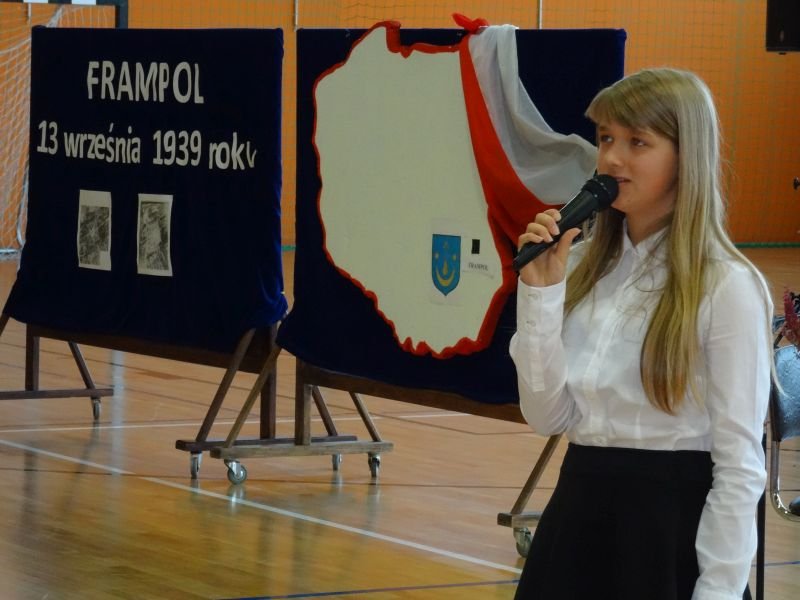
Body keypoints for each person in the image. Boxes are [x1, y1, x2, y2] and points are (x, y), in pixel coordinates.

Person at [510, 68, 772, 600]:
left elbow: (740, 465)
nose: (611, 158)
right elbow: (546, 417)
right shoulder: (580, 267)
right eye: (606, 138)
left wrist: (719, 590)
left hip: (666, 534)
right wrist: (540, 296)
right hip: (576, 522)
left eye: (637, 142)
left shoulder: (725, 286)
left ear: (685, 156)